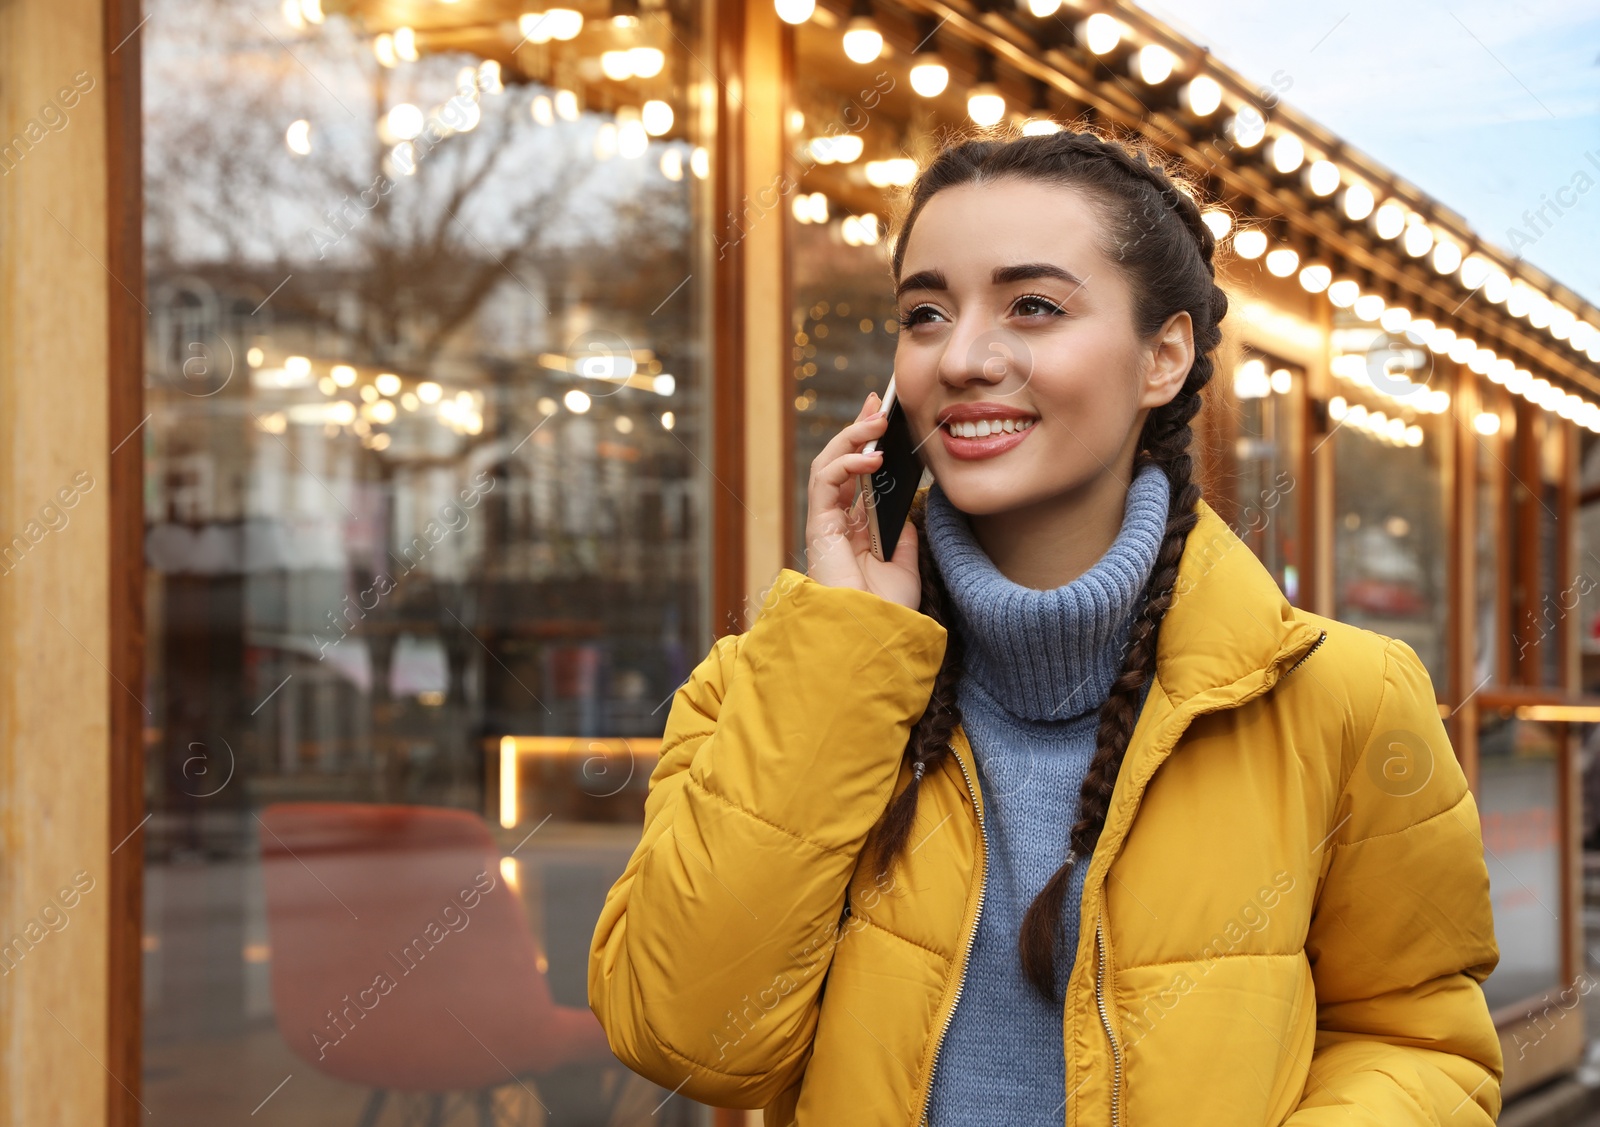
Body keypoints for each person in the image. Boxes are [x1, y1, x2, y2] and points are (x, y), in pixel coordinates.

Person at [588, 126, 1502, 1126]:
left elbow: (1416, 1042)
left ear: (1163, 356)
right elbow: (690, 1039)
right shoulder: (772, 688)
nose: (966, 356)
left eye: (1032, 305)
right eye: (924, 312)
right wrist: (846, 655)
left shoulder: (1345, 697)